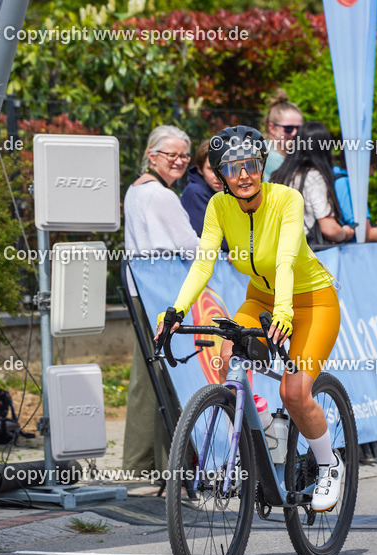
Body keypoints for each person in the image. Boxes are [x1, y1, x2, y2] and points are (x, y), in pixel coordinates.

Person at [154, 126, 346, 512]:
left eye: (251, 165)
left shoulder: (286, 199)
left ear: (262, 166)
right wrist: (176, 310)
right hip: (259, 298)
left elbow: (288, 258)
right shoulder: (219, 207)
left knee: (293, 393)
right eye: (233, 167)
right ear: (220, 175)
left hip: (310, 301)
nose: (243, 174)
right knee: (228, 359)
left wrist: (285, 312)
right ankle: (261, 442)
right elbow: (203, 264)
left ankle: (329, 464)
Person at [122, 125, 199, 479]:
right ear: (152, 155)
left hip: (142, 291)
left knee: (148, 378)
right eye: (172, 155)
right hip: (163, 294)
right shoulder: (163, 197)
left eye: (184, 155)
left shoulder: (135, 190)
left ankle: (143, 463)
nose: (180, 161)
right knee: (171, 377)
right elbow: (191, 246)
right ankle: (171, 467)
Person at [271, 122, 356, 245]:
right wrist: (345, 233)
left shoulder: (279, 175)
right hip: (306, 252)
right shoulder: (313, 176)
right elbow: (329, 229)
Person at [180, 140, 223, 238]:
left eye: (223, 168)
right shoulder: (195, 192)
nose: (218, 176)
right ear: (200, 169)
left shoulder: (228, 192)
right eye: (211, 169)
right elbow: (211, 236)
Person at [262, 89, 303, 179]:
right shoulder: (268, 157)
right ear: (272, 128)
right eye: (288, 128)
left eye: (299, 128)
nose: (295, 133)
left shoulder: (293, 155)